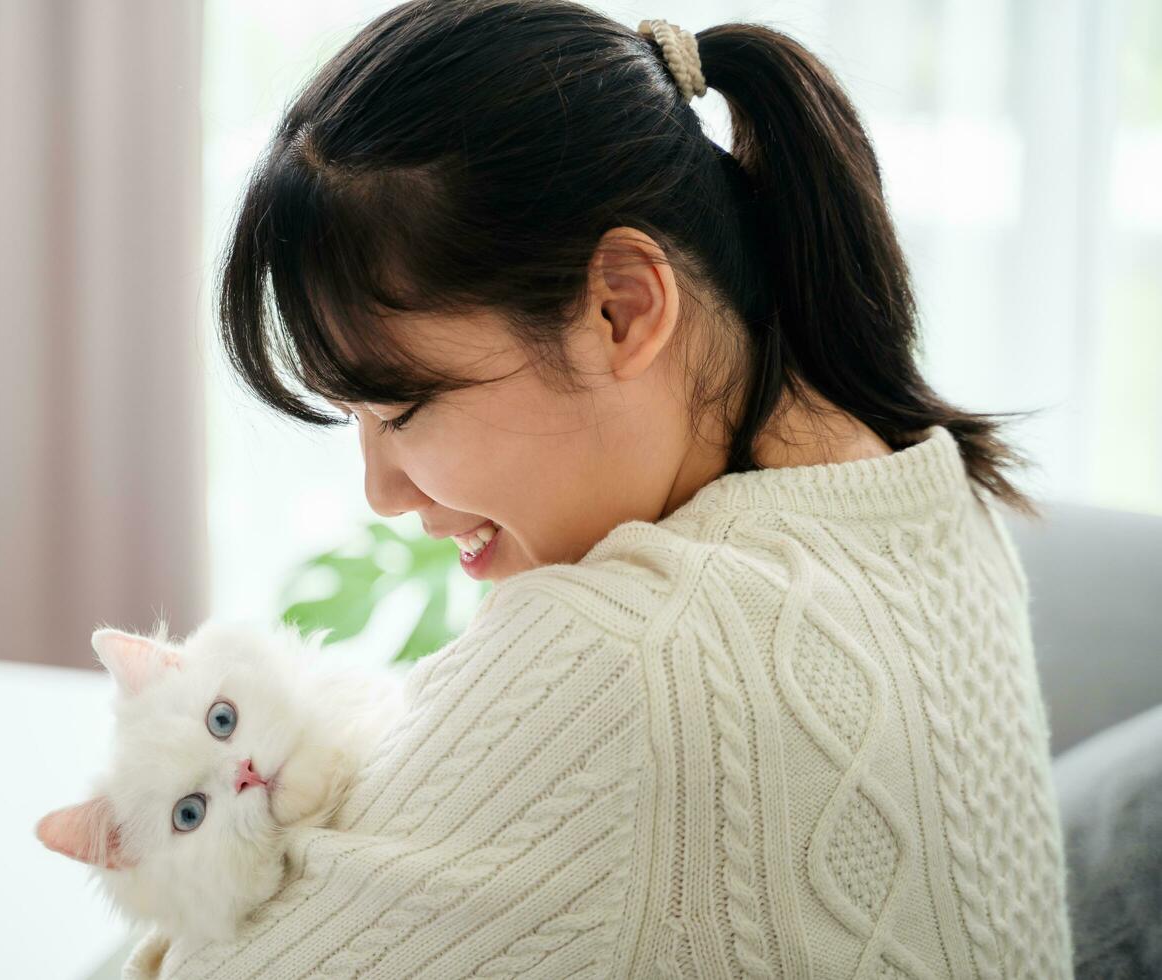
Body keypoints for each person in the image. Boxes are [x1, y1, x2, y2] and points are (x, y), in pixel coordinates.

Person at [125, 1, 1074, 976]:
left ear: (623, 307)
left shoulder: (627, 654)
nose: (382, 489)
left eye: (403, 407)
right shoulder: (935, 489)